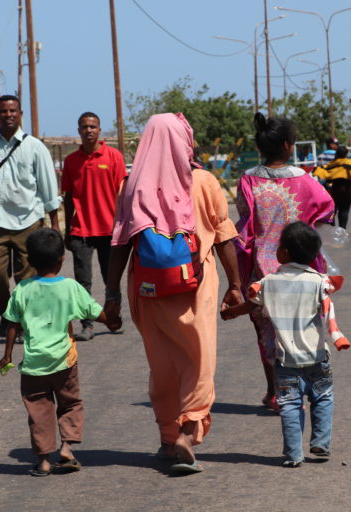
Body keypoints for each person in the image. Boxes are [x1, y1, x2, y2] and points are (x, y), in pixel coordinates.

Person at [103, 113, 243, 475]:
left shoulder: (131, 185)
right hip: (195, 288)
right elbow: (224, 234)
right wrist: (236, 285)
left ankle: (167, 439)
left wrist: (112, 294)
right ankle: (187, 432)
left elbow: (119, 243)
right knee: (198, 360)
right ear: (186, 142)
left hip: (147, 289)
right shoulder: (204, 181)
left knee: (161, 363)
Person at [221, 221, 350, 468]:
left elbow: (249, 305)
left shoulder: (269, 282)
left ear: (285, 253)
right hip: (317, 357)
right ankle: (320, 443)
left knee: (290, 406)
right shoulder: (319, 282)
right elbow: (327, 308)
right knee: (323, 398)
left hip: (285, 361)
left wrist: (230, 312)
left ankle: (293, 453)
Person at [235, 112, 335, 414]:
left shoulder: (248, 179)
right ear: (288, 145)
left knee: (267, 333)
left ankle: (276, 391)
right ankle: (303, 389)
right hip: (302, 268)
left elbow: (245, 227)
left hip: (261, 269)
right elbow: (326, 208)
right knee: (301, 328)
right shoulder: (305, 179)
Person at [0, 228, 117, 477]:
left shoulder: (23, 290)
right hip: (64, 361)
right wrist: (112, 321)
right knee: (70, 404)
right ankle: (66, 447)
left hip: (33, 365)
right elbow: (94, 312)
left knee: (39, 412)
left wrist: (7, 356)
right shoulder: (70, 287)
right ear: (63, 259)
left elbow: (12, 324)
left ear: (29, 261)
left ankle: (43, 461)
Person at [0, 95, 61, 337]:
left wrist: (55, 225)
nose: (8, 115)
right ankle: (8, 314)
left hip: (29, 223)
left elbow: (49, 188)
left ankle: (21, 324)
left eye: (13, 111)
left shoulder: (34, 147)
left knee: (27, 280)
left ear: (20, 114)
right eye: (3, 111)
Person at [62, 112, 127, 341]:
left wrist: (125, 225)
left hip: (110, 230)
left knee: (112, 278)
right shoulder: (71, 161)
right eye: (84, 127)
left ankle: (113, 316)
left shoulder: (114, 157)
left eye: (93, 126)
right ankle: (87, 324)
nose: (88, 130)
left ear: (100, 130)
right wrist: (67, 229)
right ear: (78, 131)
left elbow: (124, 193)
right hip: (81, 231)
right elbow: (68, 196)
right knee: (82, 282)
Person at [314, 146, 351, 229]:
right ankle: (343, 230)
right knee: (344, 211)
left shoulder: (333, 163)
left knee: (333, 210)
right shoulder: (349, 162)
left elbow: (322, 170)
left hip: (336, 189)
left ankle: (332, 229)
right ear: (346, 154)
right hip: (348, 189)